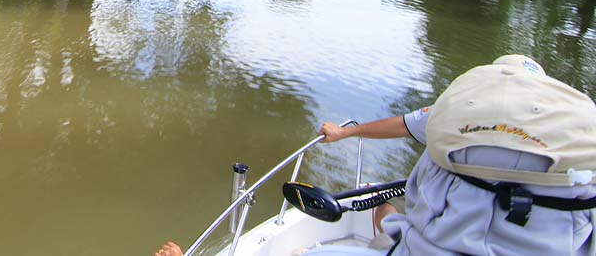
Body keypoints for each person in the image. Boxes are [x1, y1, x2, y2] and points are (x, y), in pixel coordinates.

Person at [154, 54, 596, 256]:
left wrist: (345, 133)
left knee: (324, 238)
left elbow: (404, 125)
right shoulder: (580, 158)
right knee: (383, 210)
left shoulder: (458, 116)